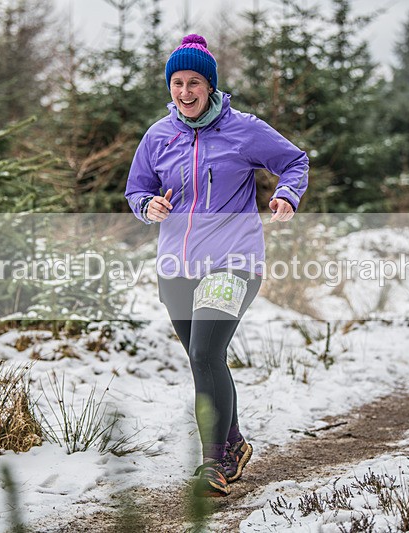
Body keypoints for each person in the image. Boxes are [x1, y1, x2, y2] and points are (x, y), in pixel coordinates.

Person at [125, 34, 309, 497]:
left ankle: (213, 463)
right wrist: (148, 207)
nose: (184, 92)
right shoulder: (158, 136)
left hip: (233, 262)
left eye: (194, 83)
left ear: (210, 86)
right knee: (202, 359)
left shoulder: (243, 129)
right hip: (176, 268)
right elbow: (136, 190)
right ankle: (235, 443)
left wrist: (286, 195)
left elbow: (294, 161)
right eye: (177, 83)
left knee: (206, 354)